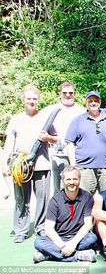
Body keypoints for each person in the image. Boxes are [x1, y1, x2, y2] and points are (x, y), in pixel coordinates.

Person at [2, 85, 57, 243]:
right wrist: (4, 165)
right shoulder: (16, 119)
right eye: (28, 99)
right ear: (23, 100)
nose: (31, 101)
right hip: (21, 166)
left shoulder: (44, 119)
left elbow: (55, 138)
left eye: (34, 98)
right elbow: (9, 144)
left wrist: (47, 137)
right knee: (21, 199)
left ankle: (41, 228)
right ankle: (21, 230)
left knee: (42, 198)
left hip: (42, 165)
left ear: (38, 100)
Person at [33, 166, 97, 263]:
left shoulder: (87, 197)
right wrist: (63, 246)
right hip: (59, 238)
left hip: (78, 238)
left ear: (79, 180)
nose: (72, 182)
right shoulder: (55, 200)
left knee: (92, 238)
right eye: (68, 179)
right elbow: (49, 229)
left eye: (75, 179)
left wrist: (73, 244)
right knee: (39, 242)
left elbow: (88, 224)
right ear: (63, 181)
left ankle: (50, 255)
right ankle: (78, 255)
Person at [65, 91, 106, 195]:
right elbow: (69, 142)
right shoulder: (78, 121)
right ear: (86, 103)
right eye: (90, 101)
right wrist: (73, 164)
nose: (93, 103)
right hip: (84, 168)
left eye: (96, 101)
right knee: (85, 199)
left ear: (100, 102)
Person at [42, 82, 85, 193]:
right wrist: (50, 138)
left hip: (78, 154)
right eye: (64, 93)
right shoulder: (51, 110)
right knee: (59, 187)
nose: (67, 95)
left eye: (71, 93)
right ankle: (60, 210)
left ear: (75, 94)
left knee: (78, 186)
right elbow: (40, 128)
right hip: (59, 154)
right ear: (60, 94)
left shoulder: (82, 111)